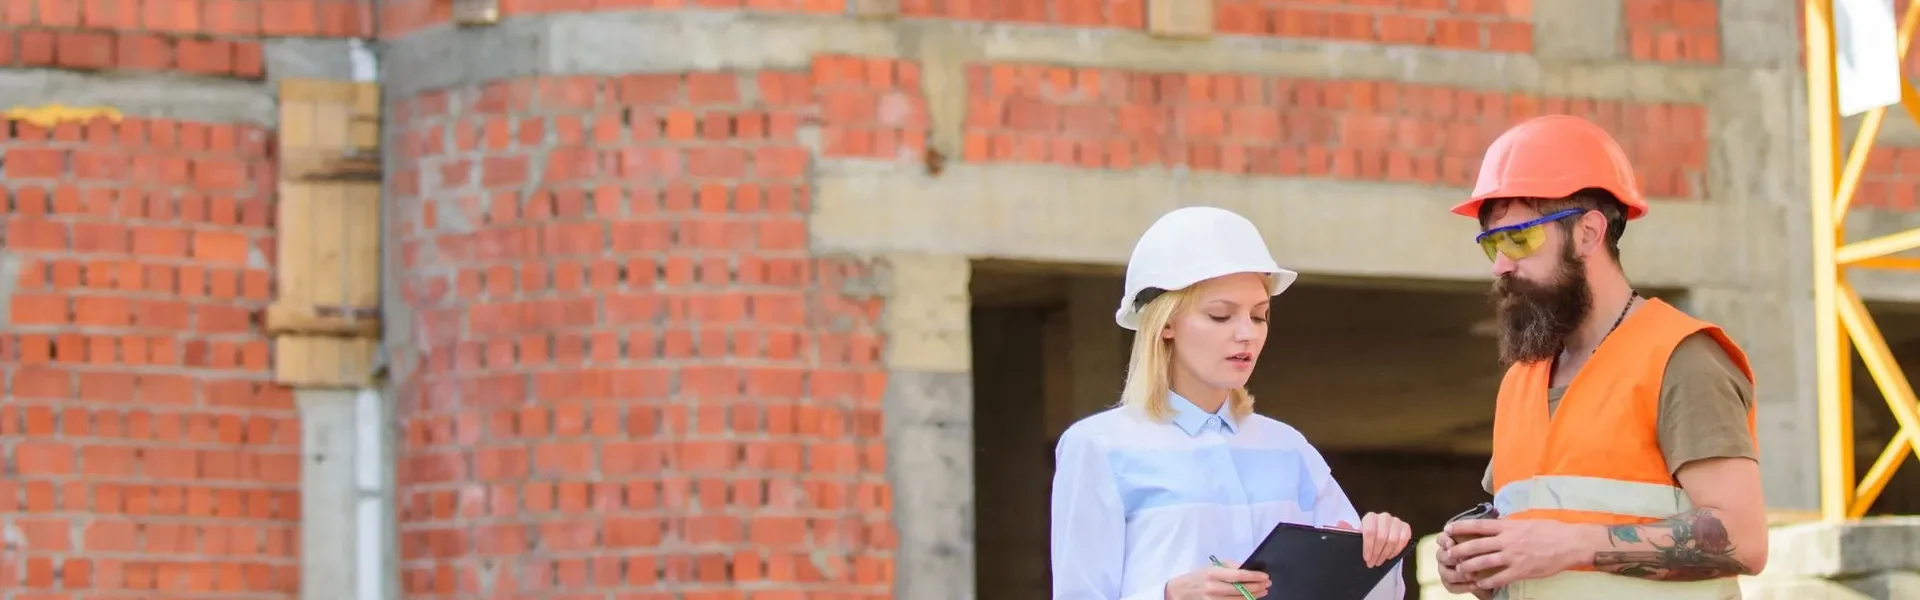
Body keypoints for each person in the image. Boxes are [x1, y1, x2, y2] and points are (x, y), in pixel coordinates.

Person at [1432, 115, 1769, 599]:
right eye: (1491, 244)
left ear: (1589, 233)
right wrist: (1477, 560)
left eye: (1519, 238)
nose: (1503, 264)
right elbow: (1532, 543)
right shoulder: (1523, 380)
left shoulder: (1682, 358)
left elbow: (1744, 538)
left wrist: (1569, 546)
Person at [1049, 206, 1413, 600]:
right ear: (1165, 323)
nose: (1247, 335)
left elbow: (1367, 594)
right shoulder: (1099, 448)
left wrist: (1381, 552)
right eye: (1220, 315)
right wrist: (1169, 596)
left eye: (1259, 317)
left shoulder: (1289, 449)